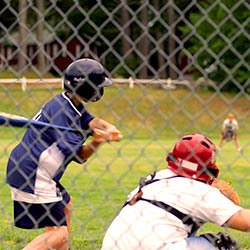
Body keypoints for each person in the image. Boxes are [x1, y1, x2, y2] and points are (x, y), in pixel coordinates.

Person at [6, 58, 122, 250]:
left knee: (66, 204)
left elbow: (89, 120)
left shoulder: (69, 103)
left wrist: (107, 127)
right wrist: (97, 142)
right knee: (58, 234)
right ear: (85, 87)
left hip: (32, 169)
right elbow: (79, 156)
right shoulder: (62, 112)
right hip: (34, 172)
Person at [101, 133, 250, 250]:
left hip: (112, 246)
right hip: (155, 247)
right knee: (222, 245)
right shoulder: (199, 191)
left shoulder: (153, 178)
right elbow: (245, 222)